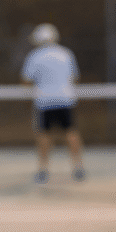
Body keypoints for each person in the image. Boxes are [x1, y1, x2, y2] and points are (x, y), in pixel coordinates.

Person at [21, 23, 85, 183]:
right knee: (71, 132)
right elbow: (74, 77)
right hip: (65, 99)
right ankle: (78, 168)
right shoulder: (66, 54)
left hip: (44, 101)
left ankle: (43, 170)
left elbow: (26, 80)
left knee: (44, 135)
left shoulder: (34, 56)